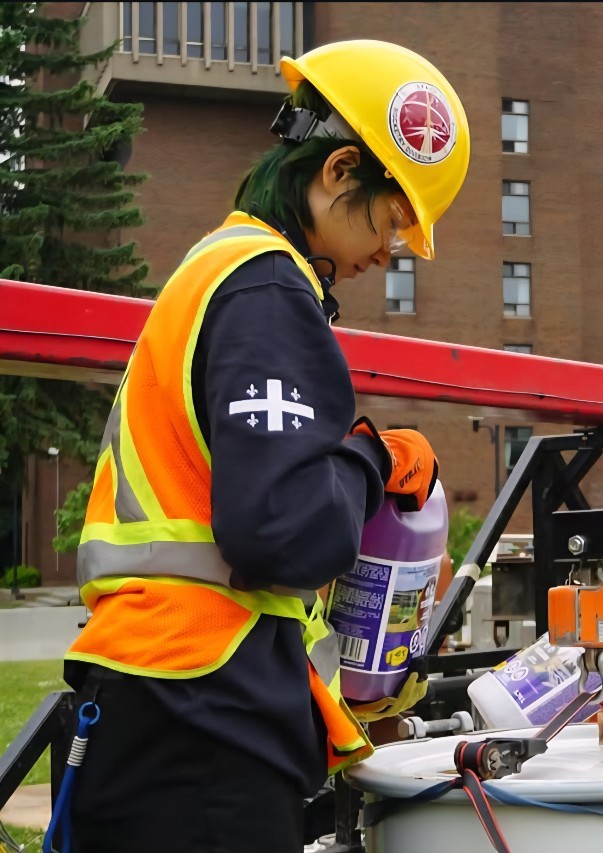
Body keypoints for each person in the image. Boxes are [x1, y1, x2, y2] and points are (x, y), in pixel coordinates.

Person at [58, 39, 469, 853]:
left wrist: (347, 452)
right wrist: (374, 460)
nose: (388, 253)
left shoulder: (215, 272)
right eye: (391, 220)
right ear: (340, 171)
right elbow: (284, 535)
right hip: (204, 723)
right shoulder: (269, 285)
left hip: (161, 705)